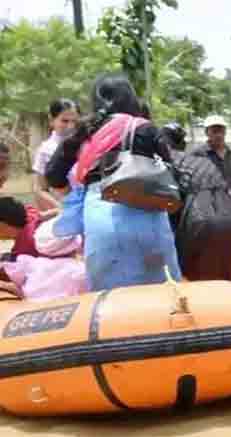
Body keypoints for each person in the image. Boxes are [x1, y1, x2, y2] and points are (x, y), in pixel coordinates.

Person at [44, 73, 182, 291]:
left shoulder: (84, 131)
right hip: (150, 222)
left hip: (101, 220)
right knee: (164, 296)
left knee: (108, 302)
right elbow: (176, 175)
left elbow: (52, 175)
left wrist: (76, 194)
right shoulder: (146, 128)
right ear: (131, 98)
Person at [164, 123, 231, 282]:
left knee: (193, 284)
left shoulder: (167, 164)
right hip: (229, 220)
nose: (218, 134)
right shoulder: (201, 160)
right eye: (214, 131)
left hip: (200, 221)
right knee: (226, 284)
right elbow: (229, 203)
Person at [32, 99, 80, 209]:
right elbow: (39, 189)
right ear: (51, 120)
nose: (71, 126)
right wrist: (60, 207)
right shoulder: (45, 150)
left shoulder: (85, 144)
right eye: (65, 121)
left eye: (75, 121)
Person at [191, 115, 231, 194]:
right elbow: (192, 181)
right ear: (206, 133)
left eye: (221, 131)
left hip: (229, 200)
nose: (219, 135)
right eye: (214, 131)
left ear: (225, 132)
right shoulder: (198, 153)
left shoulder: (230, 153)